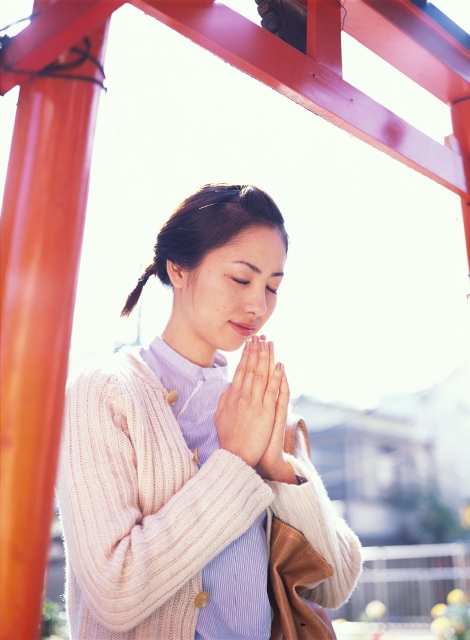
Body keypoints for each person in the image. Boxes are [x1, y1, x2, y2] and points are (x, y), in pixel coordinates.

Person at [57, 183, 362, 640]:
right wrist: (237, 465)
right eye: (242, 278)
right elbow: (115, 593)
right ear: (178, 269)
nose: (258, 305)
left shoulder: (259, 404)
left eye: (272, 287)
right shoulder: (104, 391)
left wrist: (276, 467)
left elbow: (333, 585)